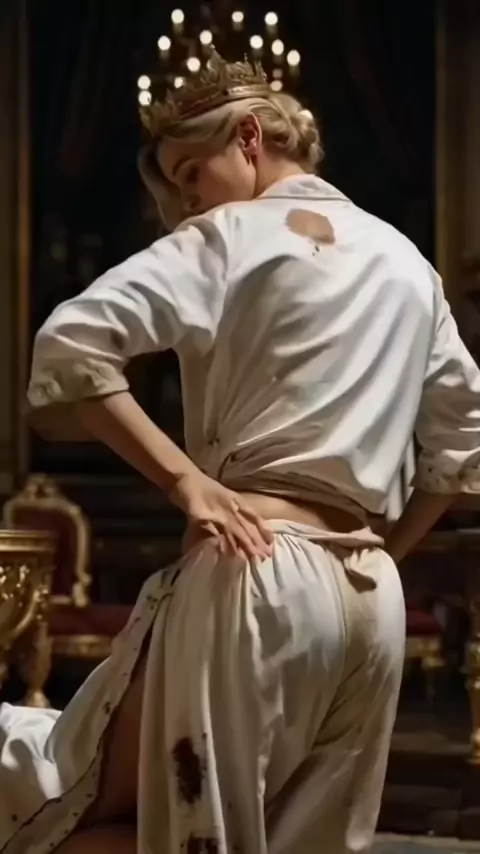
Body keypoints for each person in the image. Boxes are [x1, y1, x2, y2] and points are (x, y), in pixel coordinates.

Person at [1, 50, 479, 854]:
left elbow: (69, 346)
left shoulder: (226, 237)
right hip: (373, 597)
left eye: (192, 173)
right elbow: (465, 446)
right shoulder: (409, 263)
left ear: (249, 137)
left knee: (187, 835)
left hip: (255, 572)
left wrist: (186, 483)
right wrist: (385, 552)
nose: (188, 200)